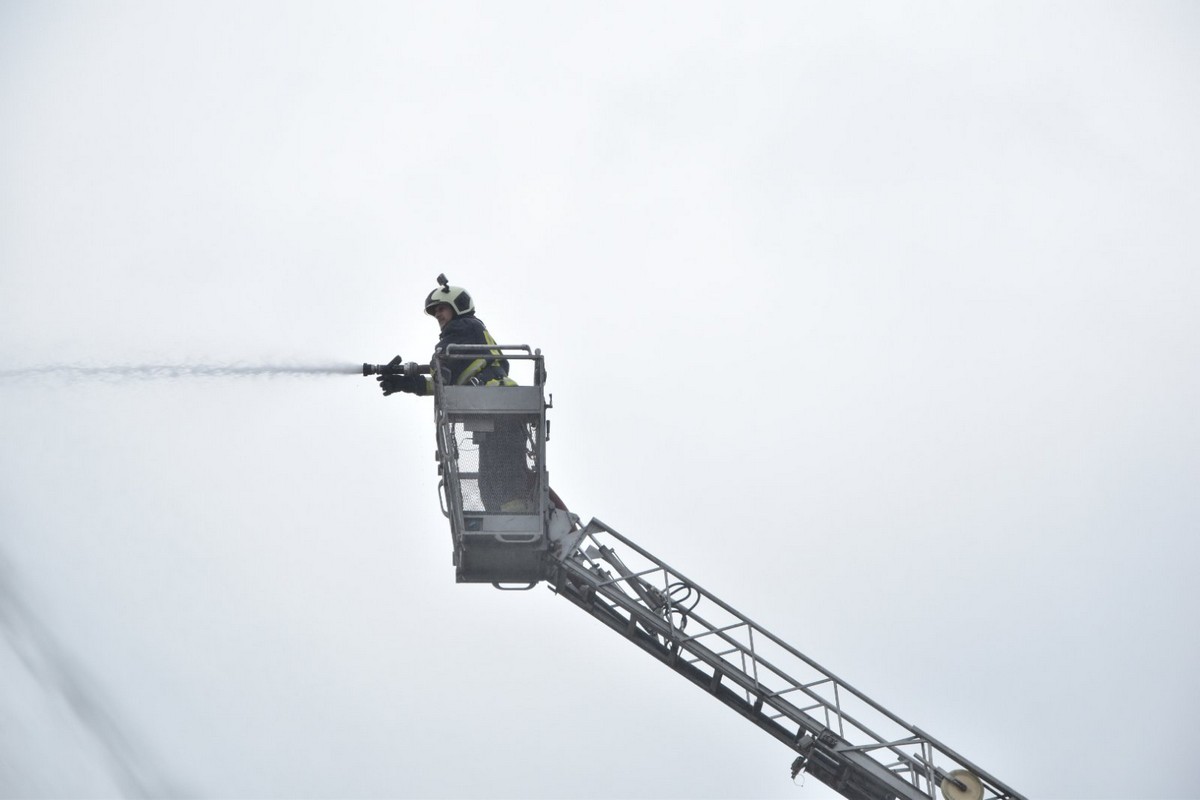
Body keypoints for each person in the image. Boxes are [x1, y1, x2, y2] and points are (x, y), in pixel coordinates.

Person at [379, 277, 532, 513]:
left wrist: (423, 369)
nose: (438, 315)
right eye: (435, 311)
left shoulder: (465, 327)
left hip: (498, 405)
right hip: (492, 408)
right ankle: (504, 516)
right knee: (490, 476)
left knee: (504, 473)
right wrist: (405, 383)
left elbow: (440, 360)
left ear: (458, 306)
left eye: (442, 308)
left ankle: (514, 517)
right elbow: (442, 384)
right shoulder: (465, 338)